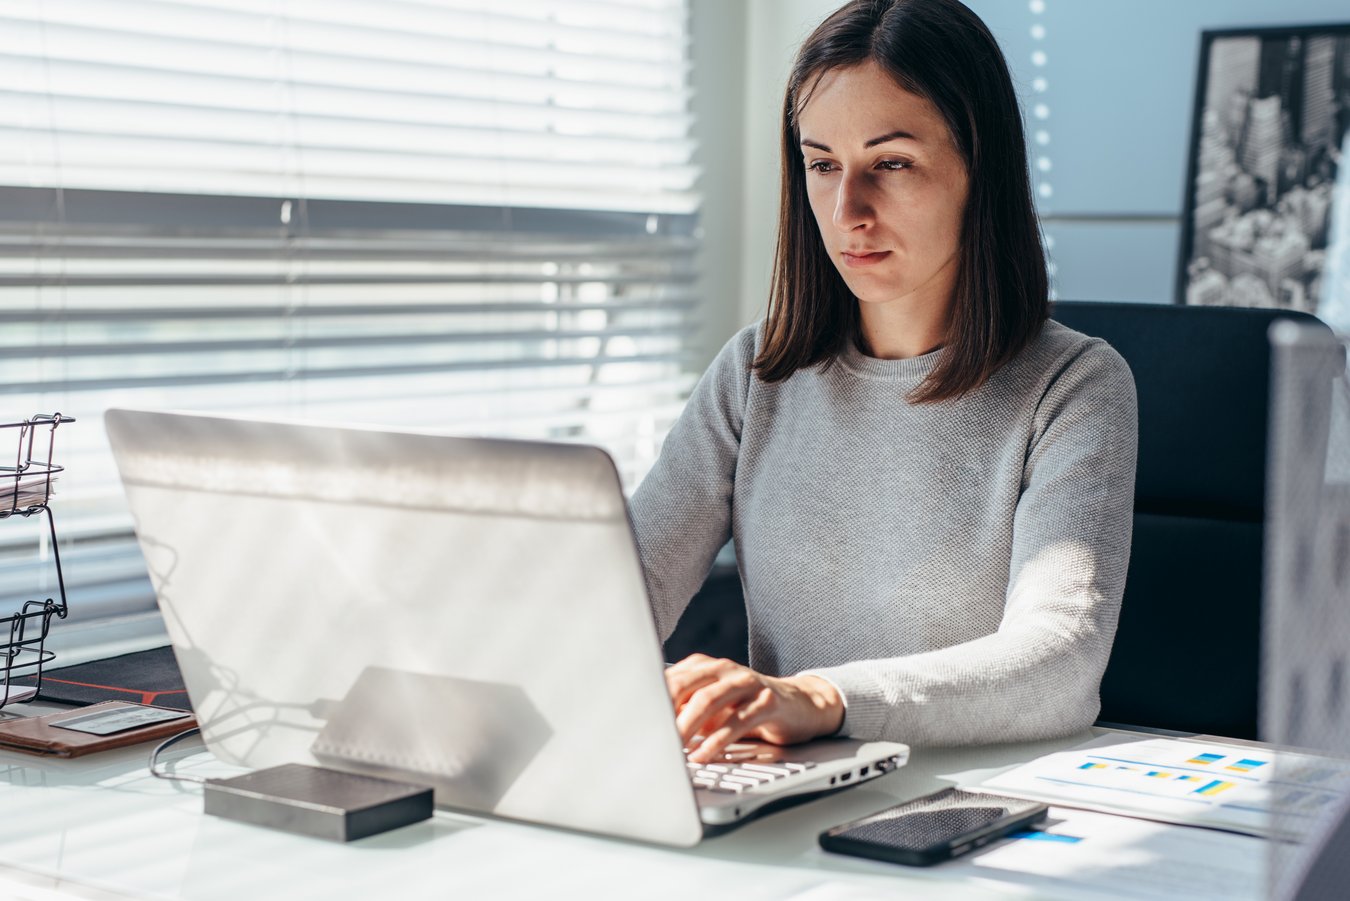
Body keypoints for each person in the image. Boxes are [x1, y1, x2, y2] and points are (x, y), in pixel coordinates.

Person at [629, 0, 1139, 764]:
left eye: (891, 163)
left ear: (980, 169)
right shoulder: (754, 373)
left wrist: (823, 699)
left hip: (970, 806)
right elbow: (622, 593)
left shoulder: (1074, 384)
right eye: (823, 164)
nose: (847, 211)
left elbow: (1059, 660)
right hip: (784, 790)